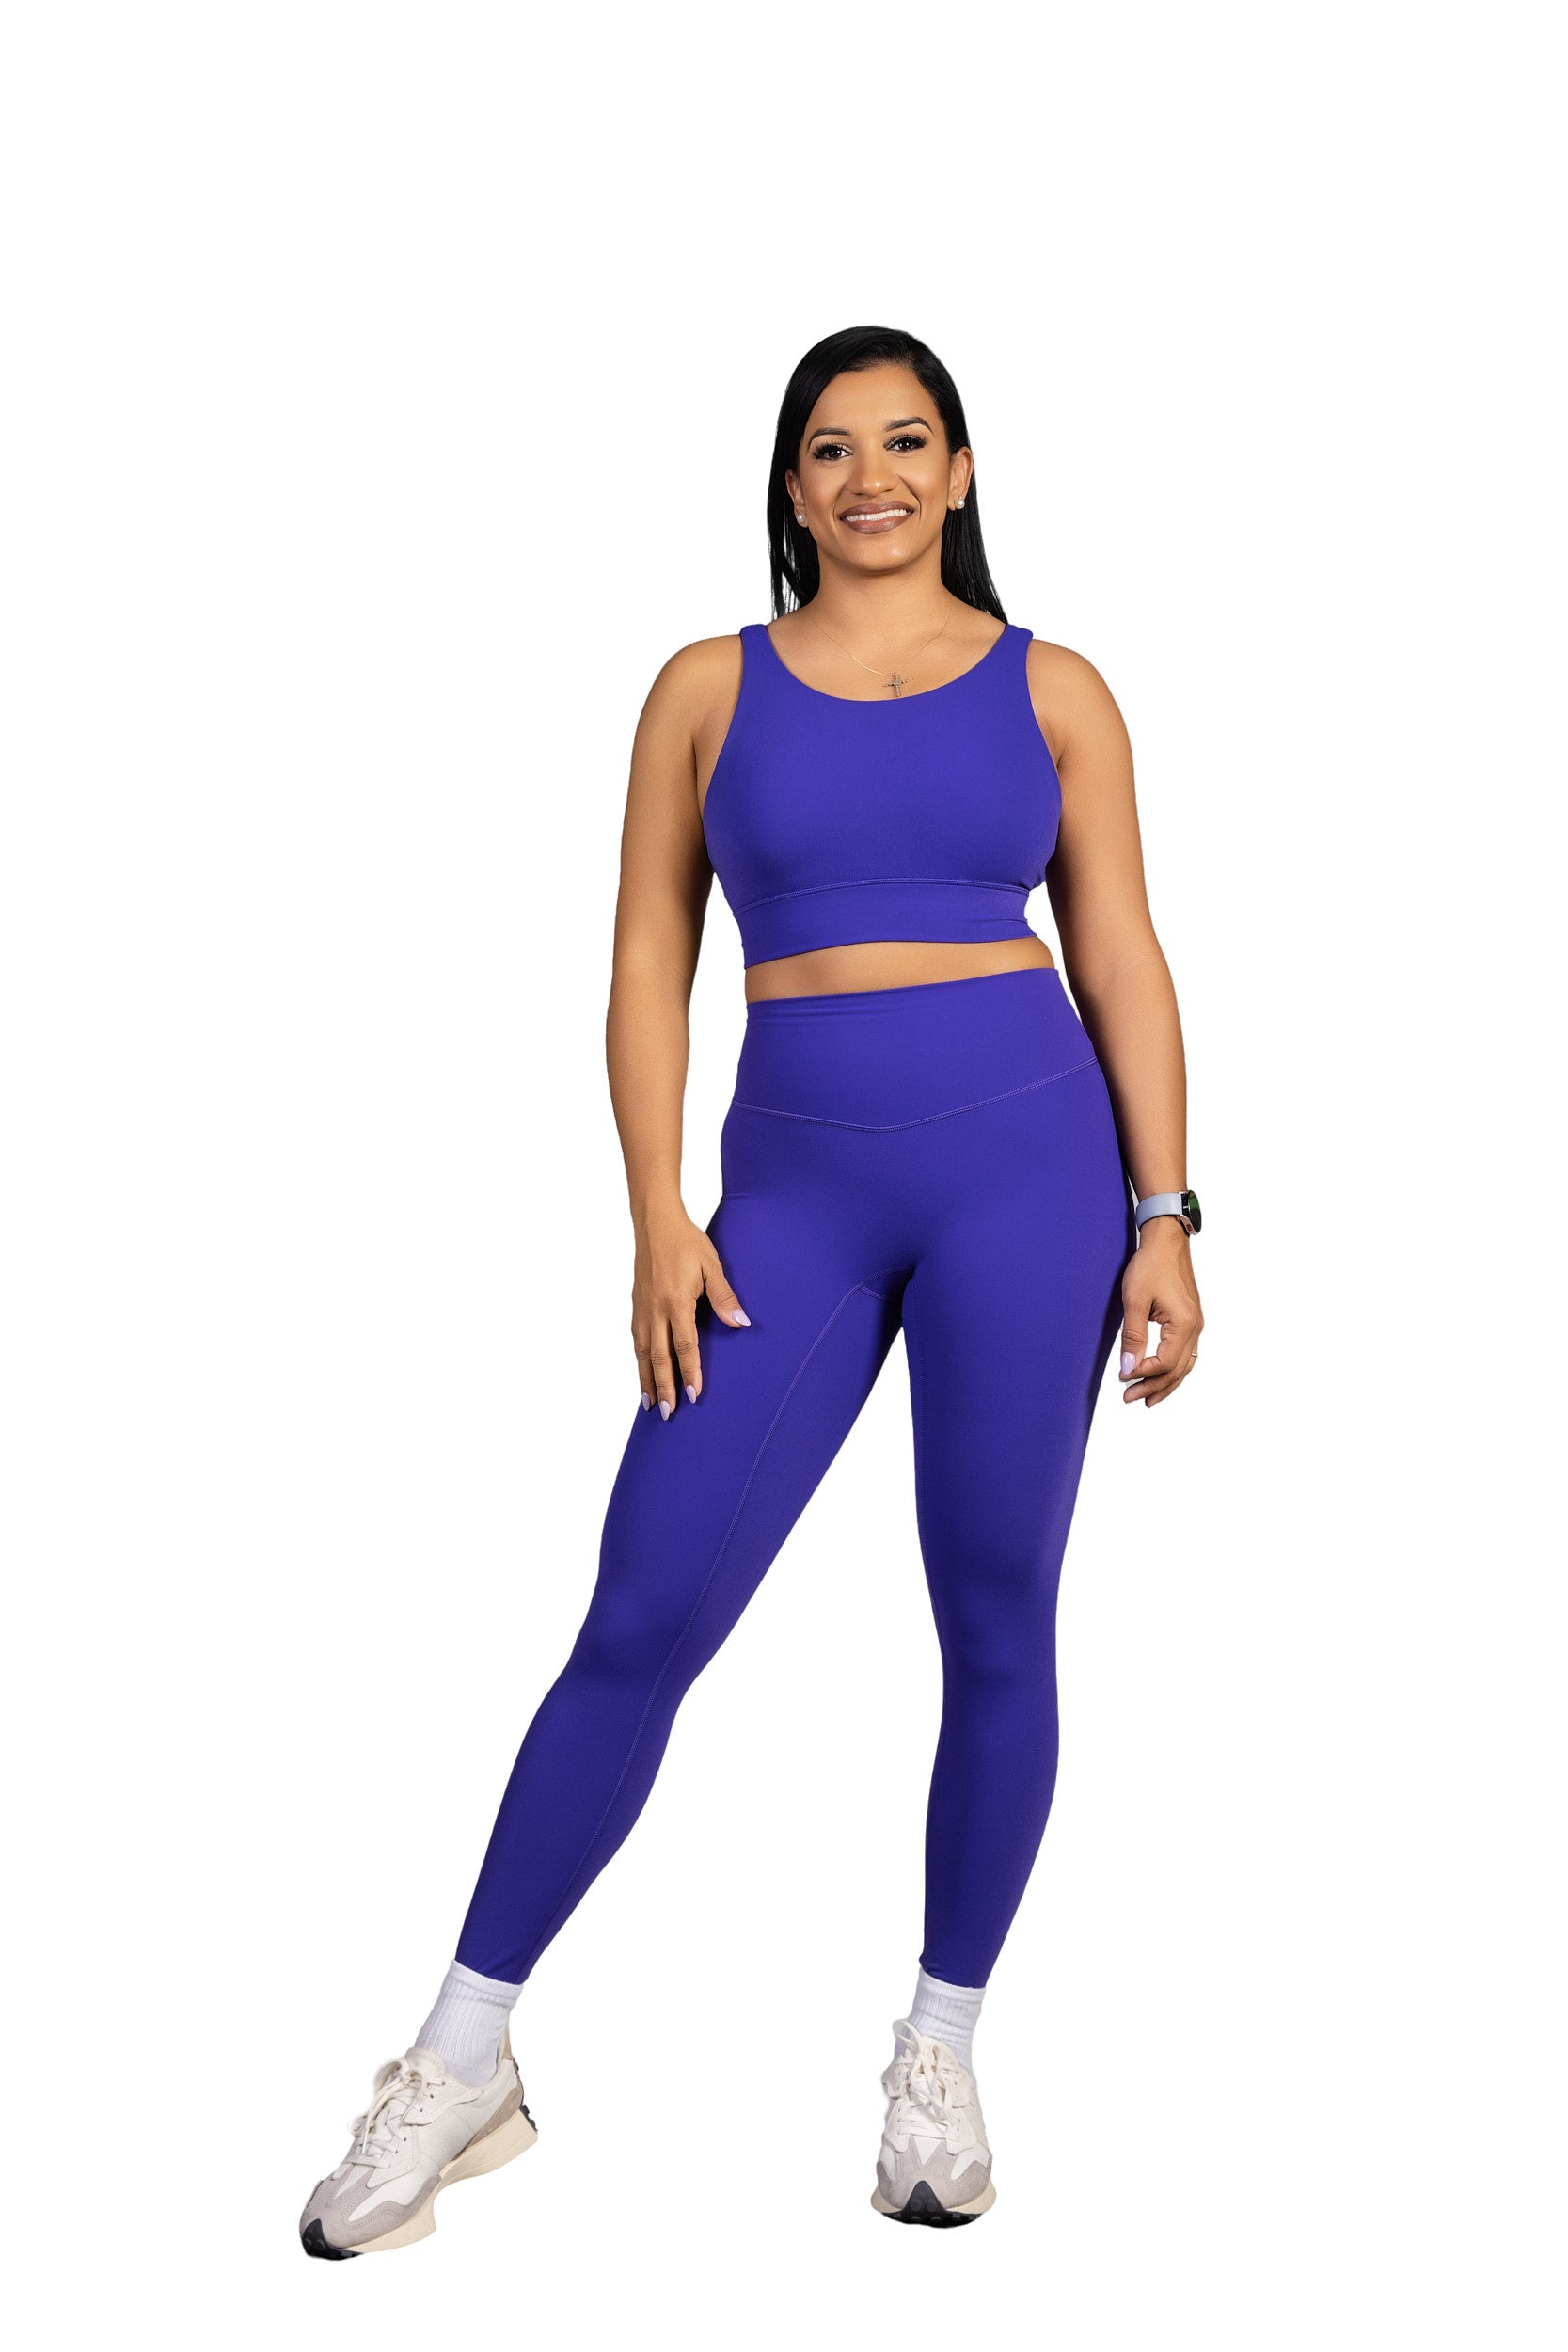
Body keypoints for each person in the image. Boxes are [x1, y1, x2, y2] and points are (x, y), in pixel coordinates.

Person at [299, 324, 1204, 2254]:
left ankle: (939, 2057)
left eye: (907, 441)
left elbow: (1122, 951)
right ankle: (460, 2061)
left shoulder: (1058, 690)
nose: (872, 476)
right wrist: (657, 1209)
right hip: (788, 1196)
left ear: (961, 469)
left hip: (1031, 1179)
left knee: (996, 1610)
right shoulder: (707, 688)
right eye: (832, 448)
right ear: (792, 485)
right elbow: (648, 957)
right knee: (641, 1609)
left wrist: (1168, 1214)